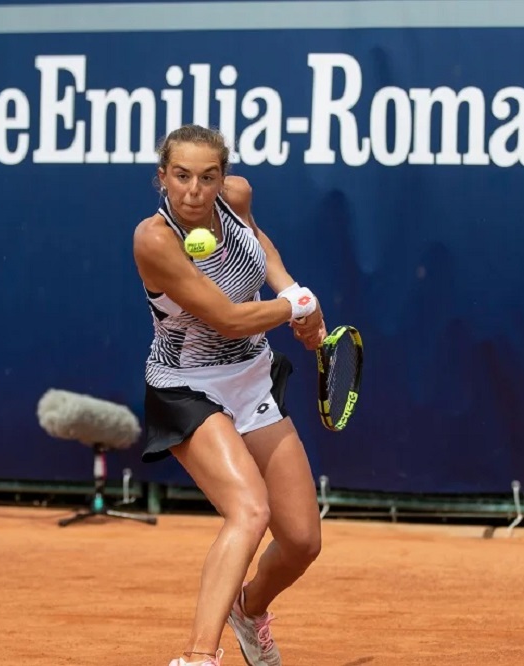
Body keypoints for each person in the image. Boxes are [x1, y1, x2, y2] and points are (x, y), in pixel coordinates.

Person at [132, 123, 327, 666]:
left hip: (251, 379)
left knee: (303, 541)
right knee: (248, 511)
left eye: (207, 176)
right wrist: (299, 308)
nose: (193, 190)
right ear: (162, 177)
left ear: (223, 177)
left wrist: (290, 288)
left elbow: (260, 247)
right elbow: (228, 318)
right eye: (181, 176)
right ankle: (198, 656)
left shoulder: (236, 199)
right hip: (187, 386)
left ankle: (250, 608)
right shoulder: (154, 239)